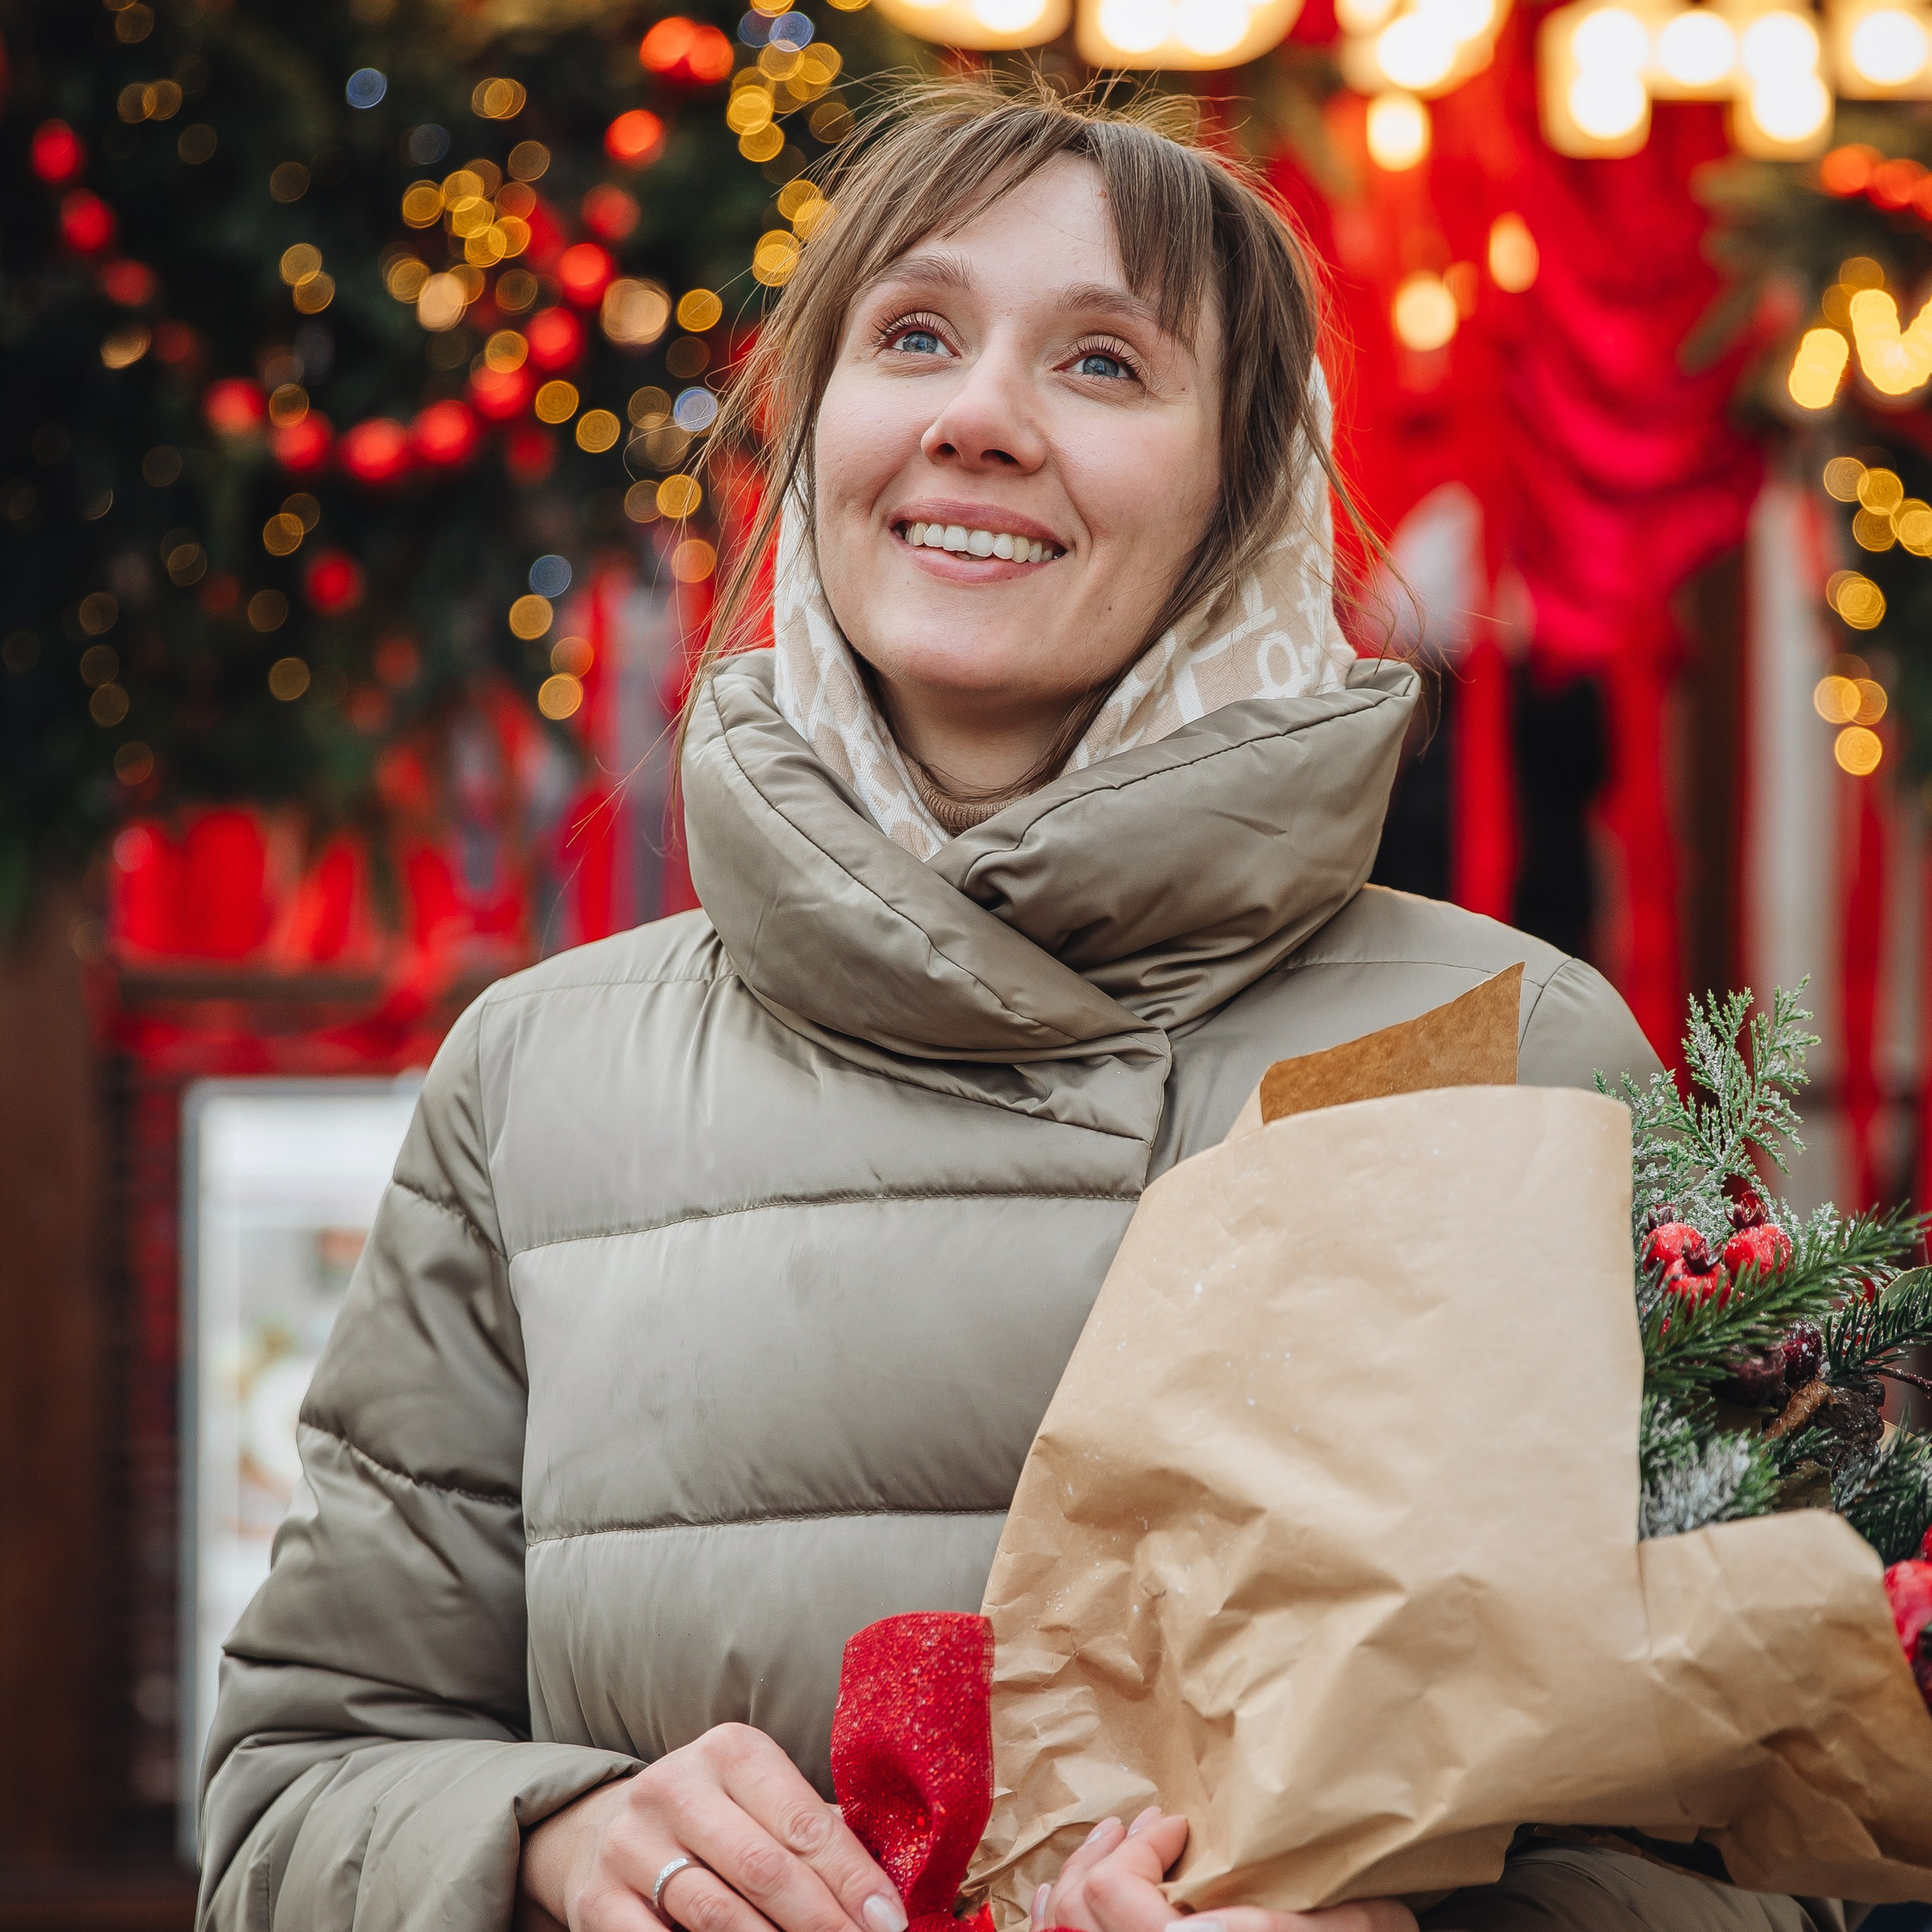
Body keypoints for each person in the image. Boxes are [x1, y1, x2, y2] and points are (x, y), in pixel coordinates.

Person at [195, 80, 1823, 1932]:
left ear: (1243, 484)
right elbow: (294, 1796)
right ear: (813, 436)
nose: (978, 418)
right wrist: (548, 1840)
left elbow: (1759, 1846)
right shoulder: (538, 1078)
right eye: (912, 336)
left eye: (1105, 364)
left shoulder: (1517, 1053)